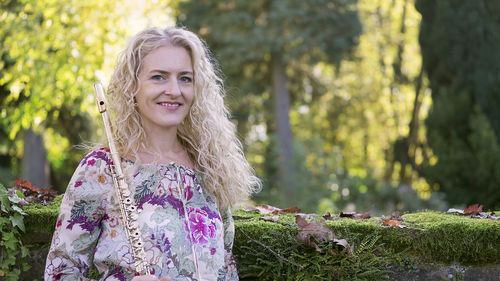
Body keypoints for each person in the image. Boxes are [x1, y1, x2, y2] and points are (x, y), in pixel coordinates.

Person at [45, 26, 260, 281]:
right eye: (159, 77)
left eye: (185, 78)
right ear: (132, 86)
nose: (174, 90)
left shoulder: (209, 167)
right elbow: (60, 272)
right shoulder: (102, 168)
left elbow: (226, 266)